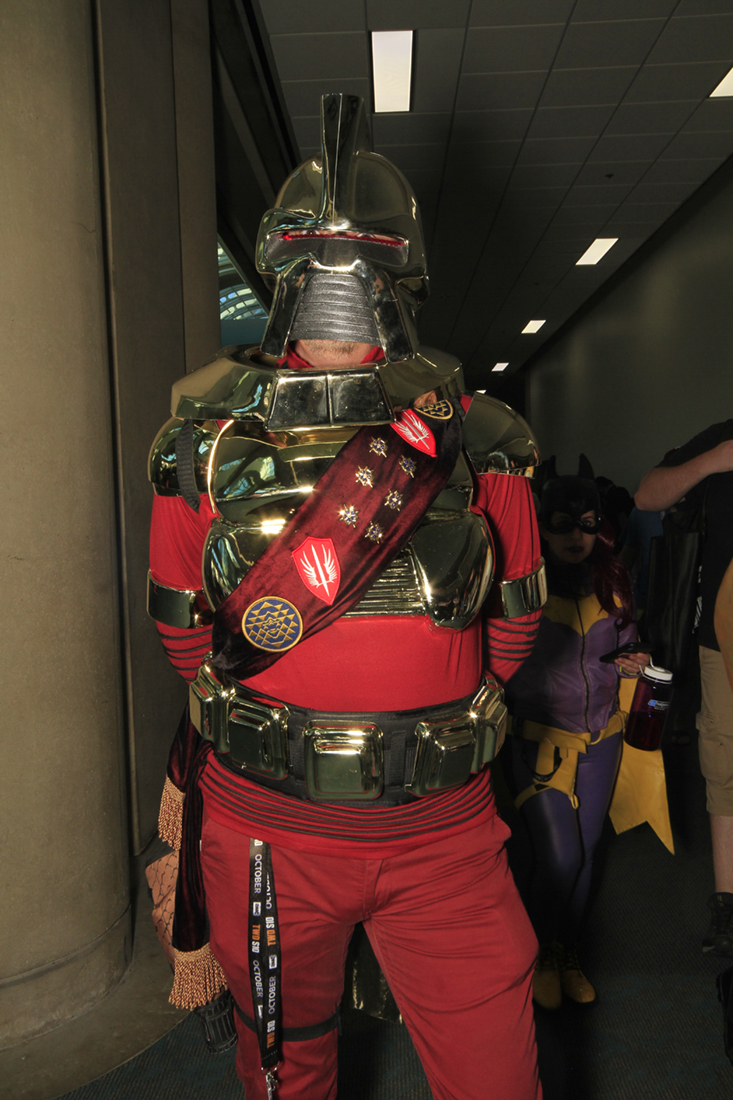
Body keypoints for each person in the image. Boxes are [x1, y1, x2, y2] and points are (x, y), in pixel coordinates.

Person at [146, 94, 547, 1099]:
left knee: (497, 1075)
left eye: (355, 273)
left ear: (394, 282)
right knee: (286, 1070)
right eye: (315, 274)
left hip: (447, 838)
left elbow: (512, 626)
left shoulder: (477, 436)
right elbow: (187, 634)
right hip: (268, 837)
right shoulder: (204, 441)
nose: (335, 301)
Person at [504, 472, 672, 1010]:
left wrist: (634, 662)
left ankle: (565, 952)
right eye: (562, 525)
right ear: (542, 527)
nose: (575, 536)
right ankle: (536, 956)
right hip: (540, 740)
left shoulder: (613, 581)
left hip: (603, 737)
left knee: (588, 852)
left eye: (587, 523)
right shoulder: (521, 587)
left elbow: (625, 648)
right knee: (561, 857)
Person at [636, 421, 733, 955]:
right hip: (723, 633)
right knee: (723, 763)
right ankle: (727, 906)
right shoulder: (724, 438)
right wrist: (716, 459)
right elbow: (648, 495)